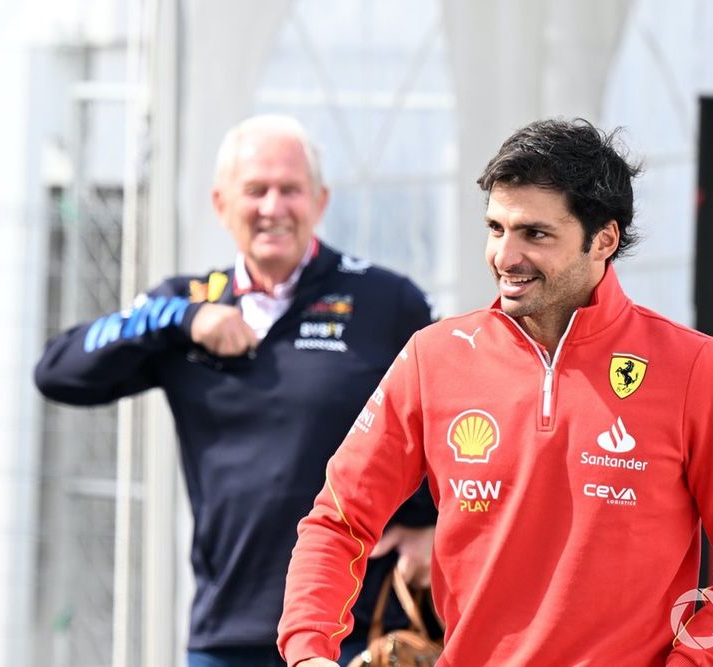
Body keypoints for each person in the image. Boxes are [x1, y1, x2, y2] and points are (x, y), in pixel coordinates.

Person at [278, 118, 713, 666]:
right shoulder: (434, 357)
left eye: (535, 234)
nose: (505, 256)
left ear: (604, 240)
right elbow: (338, 519)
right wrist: (310, 650)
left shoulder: (694, 366)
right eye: (496, 228)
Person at [34, 114, 437, 667]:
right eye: (256, 190)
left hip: (356, 629)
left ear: (320, 201)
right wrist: (183, 317)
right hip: (229, 632)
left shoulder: (387, 301)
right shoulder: (187, 306)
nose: (273, 207)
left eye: (290, 189)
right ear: (221, 204)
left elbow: (450, 419)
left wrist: (429, 524)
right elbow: (59, 370)